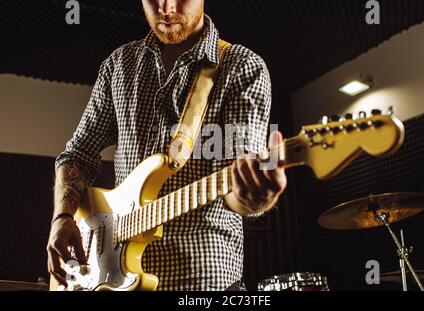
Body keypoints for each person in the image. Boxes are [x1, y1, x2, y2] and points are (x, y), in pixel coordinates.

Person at [47, 0, 287, 291]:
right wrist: (62, 217)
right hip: (111, 277)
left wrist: (254, 196)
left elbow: (238, 186)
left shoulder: (242, 67)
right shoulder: (120, 64)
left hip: (202, 280)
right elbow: (77, 155)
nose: (166, 7)